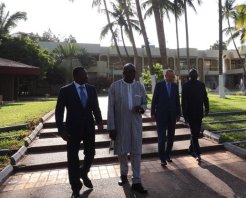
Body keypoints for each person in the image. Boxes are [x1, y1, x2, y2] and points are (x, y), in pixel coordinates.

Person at [55, 66, 103, 198]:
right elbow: (59, 111)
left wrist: (99, 121)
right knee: (72, 158)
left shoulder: (91, 89)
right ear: (76, 76)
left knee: (91, 153)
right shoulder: (65, 90)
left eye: (86, 75)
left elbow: (95, 107)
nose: (87, 77)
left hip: (88, 127)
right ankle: (75, 188)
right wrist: (61, 129)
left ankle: (83, 172)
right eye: (84, 75)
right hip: (72, 129)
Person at [107, 63, 148, 194]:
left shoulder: (139, 87)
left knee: (136, 152)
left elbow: (145, 103)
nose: (131, 74)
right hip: (120, 125)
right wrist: (111, 127)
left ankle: (136, 181)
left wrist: (141, 108)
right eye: (129, 71)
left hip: (135, 125)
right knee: (122, 151)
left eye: (133, 71)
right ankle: (123, 174)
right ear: (123, 73)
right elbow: (110, 108)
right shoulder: (115, 86)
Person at [151, 69, 181, 166]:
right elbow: (154, 100)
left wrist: (178, 114)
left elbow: (177, 100)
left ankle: (168, 155)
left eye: (173, 77)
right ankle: (162, 158)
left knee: (171, 137)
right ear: (165, 76)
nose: (172, 78)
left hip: (172, 115)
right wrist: (152, 113)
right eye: (170, 76)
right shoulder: (159, 85)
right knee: (162, 137)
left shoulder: (175, 86)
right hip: (161, 115)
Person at [181, 68, 209, 162]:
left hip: (199, 113)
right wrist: (185, 115)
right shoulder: (185, 86)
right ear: (190, 76)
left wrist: (207, 109)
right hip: (190, 114)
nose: (194, 76)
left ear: (197, 76)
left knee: (195, 133)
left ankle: (190, 149)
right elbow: (183, 102)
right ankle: (197, 153)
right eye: (192, 75)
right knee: (194, 133)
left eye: (195, 74)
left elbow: (205, 98)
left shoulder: (201, 85)